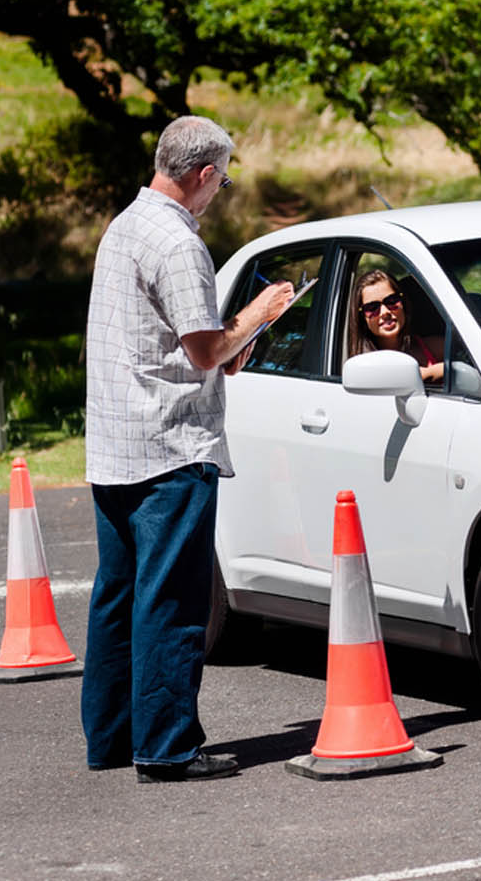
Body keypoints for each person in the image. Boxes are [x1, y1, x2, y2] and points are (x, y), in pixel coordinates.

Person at [82, 115, 293, 783]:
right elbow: (206, 350)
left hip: (115, 441)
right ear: (202, 175)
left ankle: (112, 737)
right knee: (171, 602)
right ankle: (167, 746)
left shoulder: (124, 227)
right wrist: (258, 314)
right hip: (169, 445)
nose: (220, 190)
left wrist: (241, 335)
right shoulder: (178, 244)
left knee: (119, 596)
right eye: (221, 180)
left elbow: (196, 350)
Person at [345, 269, 481, 382]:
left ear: (403, 303)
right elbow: (421, 375)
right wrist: (452, 368)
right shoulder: (365, 366)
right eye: (372, 307)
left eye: (392, 301)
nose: (384, 312)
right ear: (362, 317)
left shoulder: (427, 345)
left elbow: (476, 354)